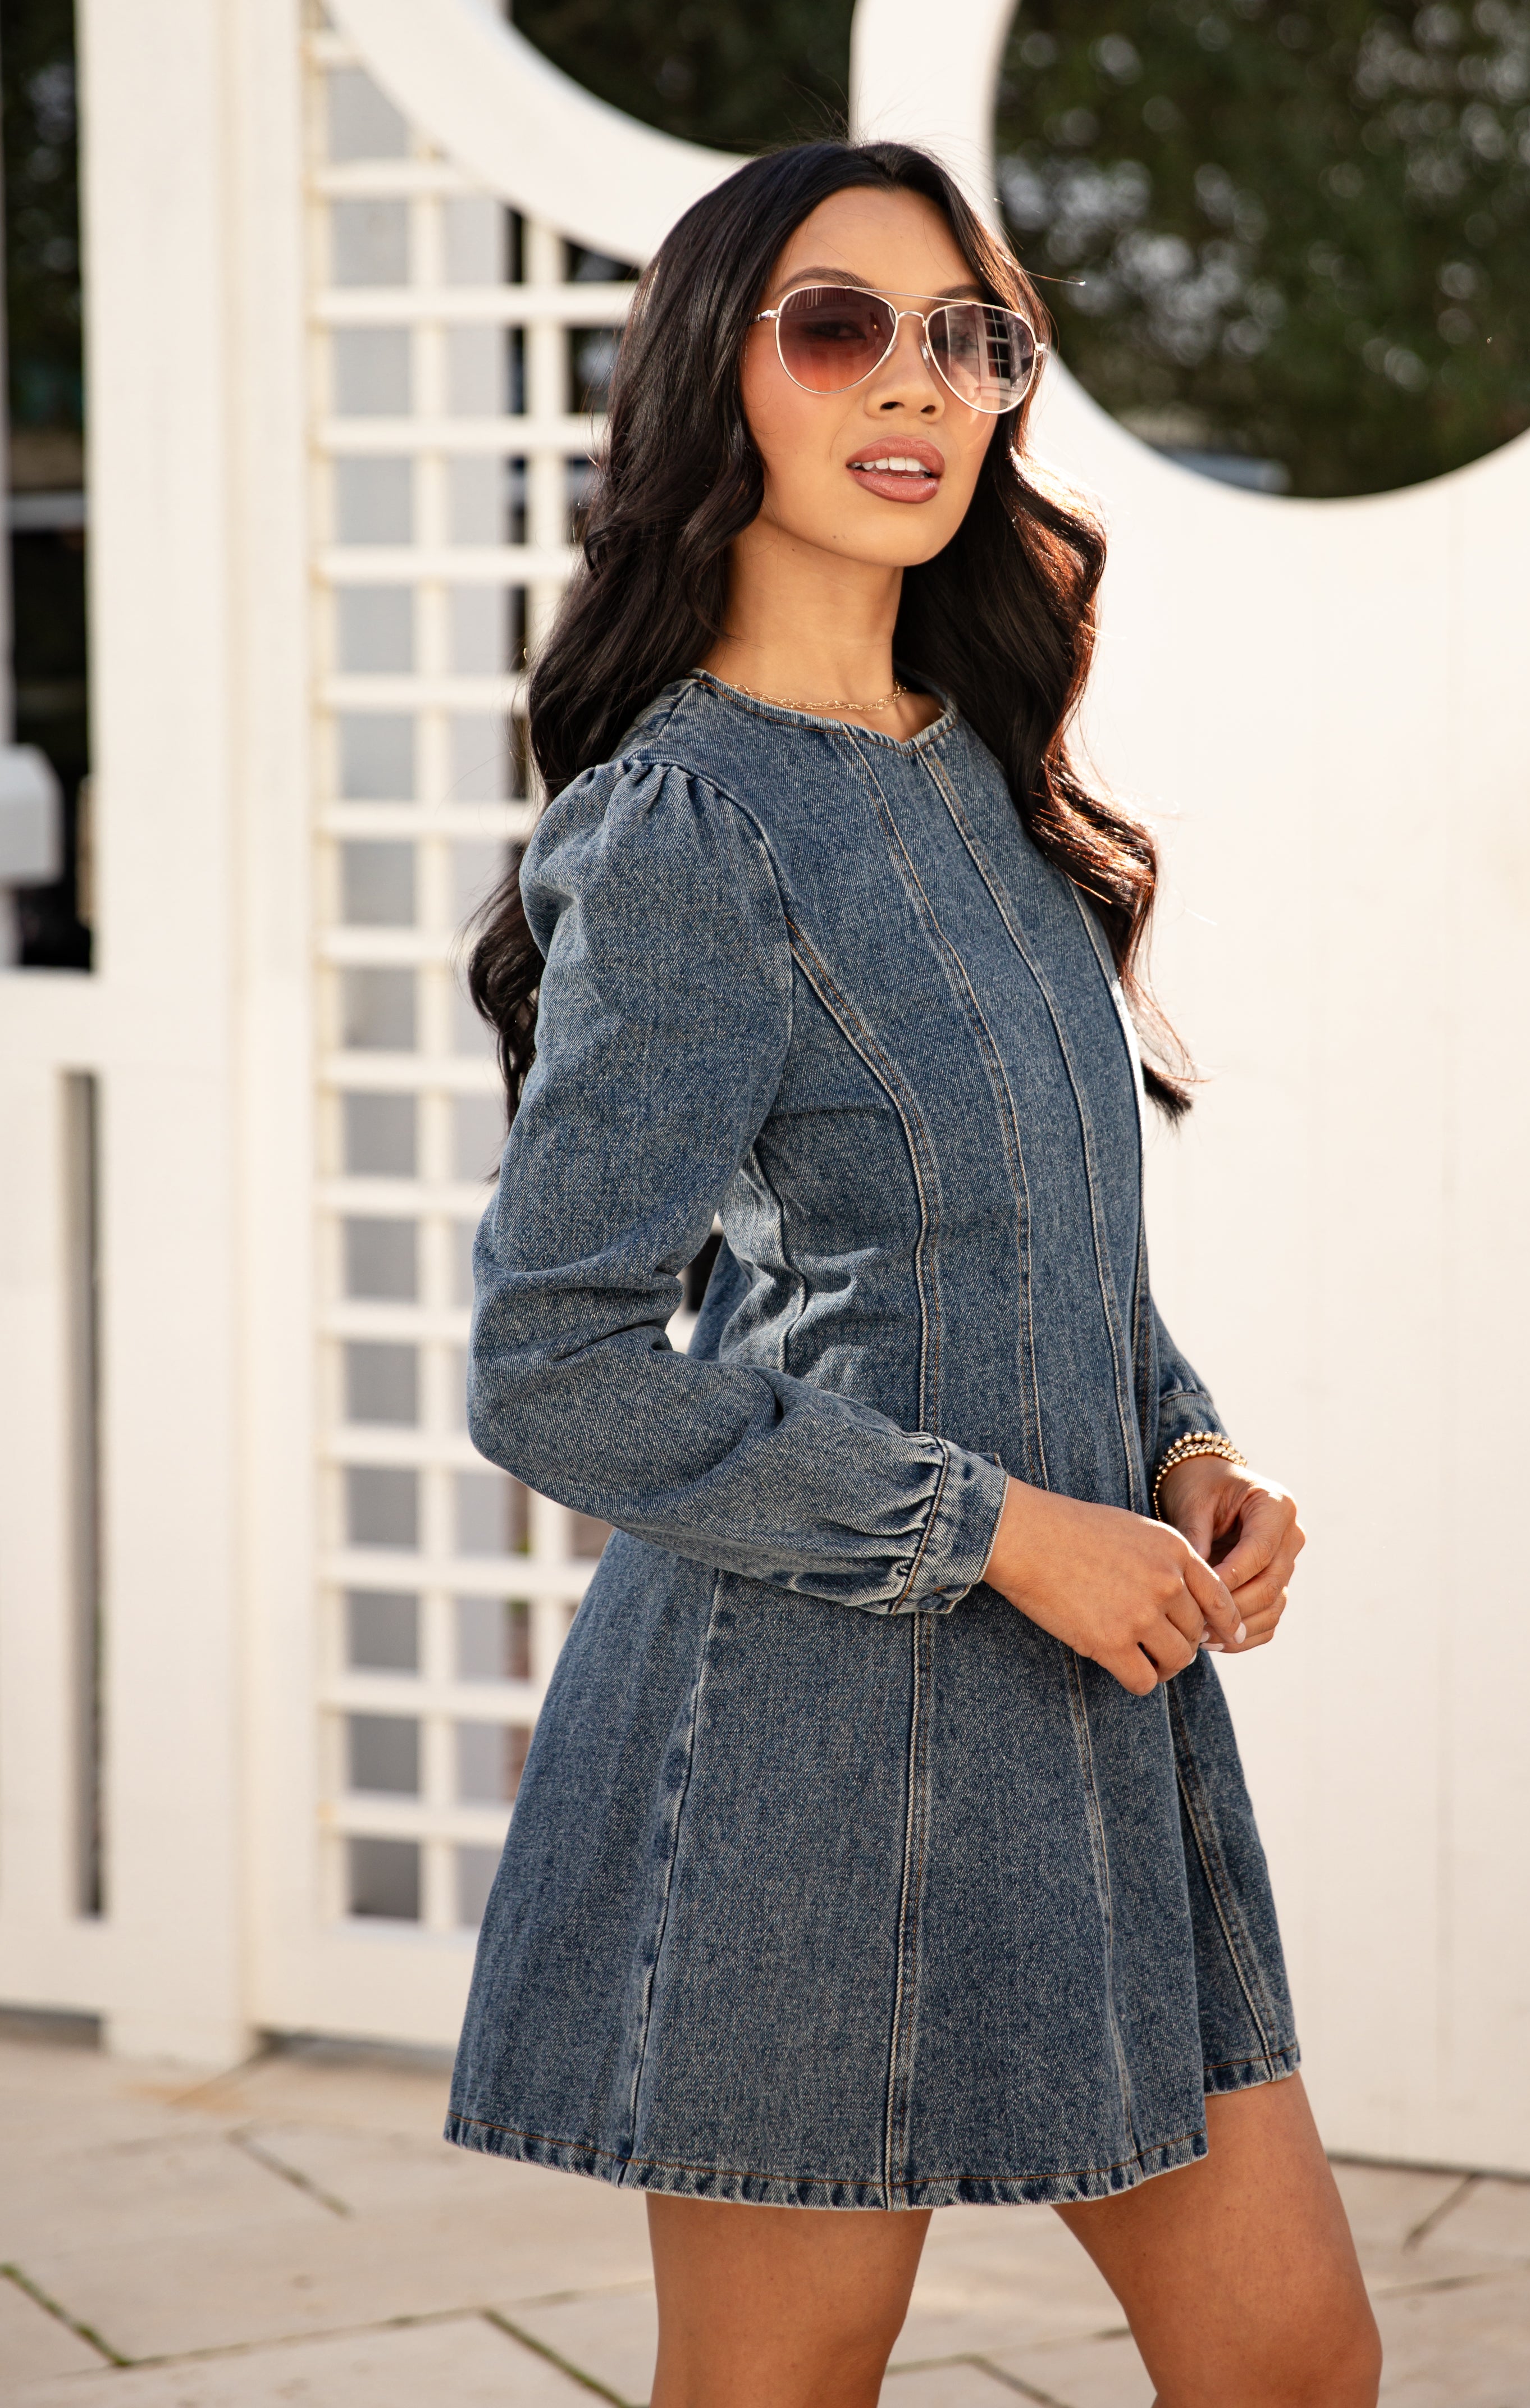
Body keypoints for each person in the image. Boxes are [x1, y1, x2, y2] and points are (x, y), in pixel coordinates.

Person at [449, 139, 1380, 2408]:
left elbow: (1038, 1219)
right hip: (796, 1743)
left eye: (973, 336)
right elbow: (552, 1361)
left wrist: (1180, 1444)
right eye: (837, 323)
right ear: (714, 381)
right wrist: (1001, 1531)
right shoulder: (685, 828)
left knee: (1290, 2358)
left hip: (1086, 1705)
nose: (921, 383)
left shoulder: (979, 768)